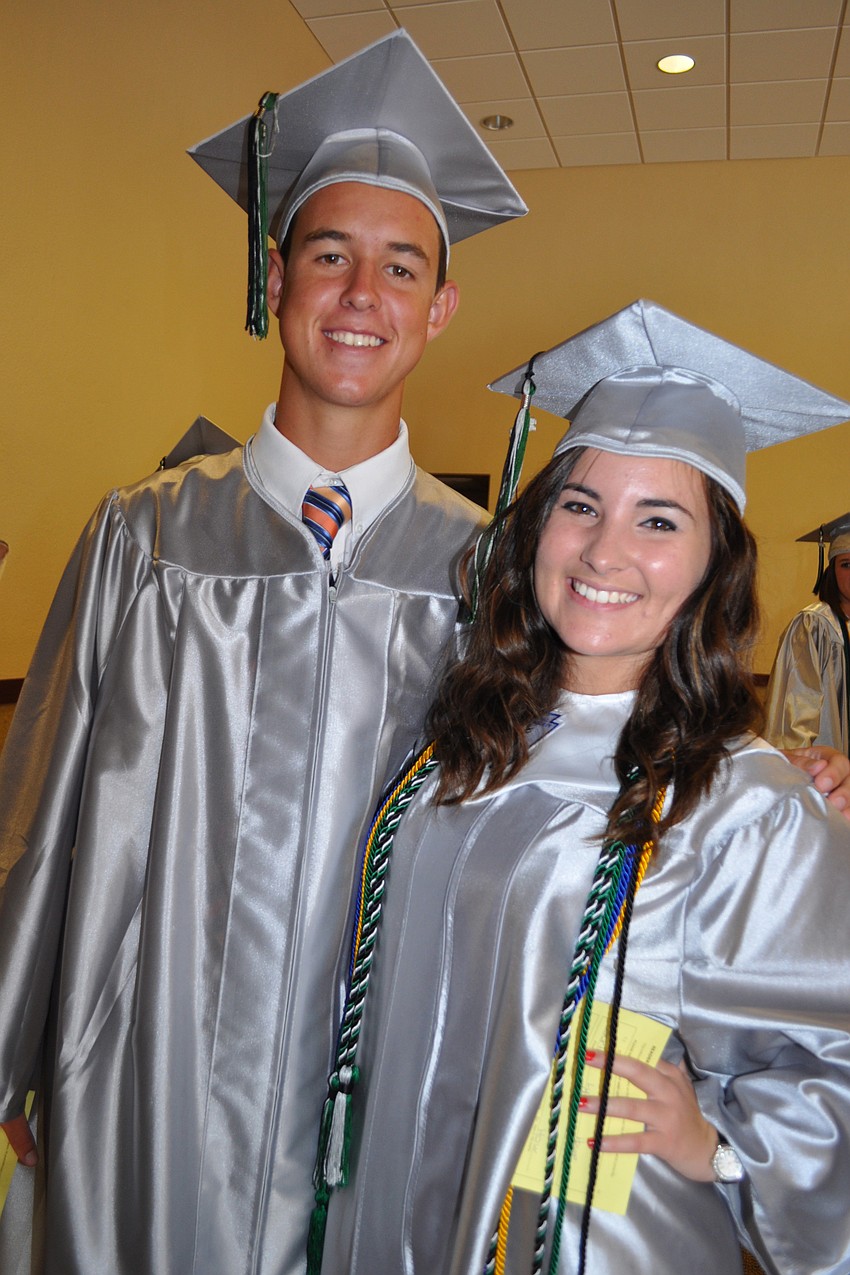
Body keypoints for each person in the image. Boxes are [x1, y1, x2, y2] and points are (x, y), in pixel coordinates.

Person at [0, 32, 527, 1275]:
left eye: (401, 267)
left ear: (439, 308)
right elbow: (42, 805)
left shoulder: (490, 571)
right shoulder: (146, 535)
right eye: (328, 254)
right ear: (274, 280)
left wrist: (770, 791)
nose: (362, 295)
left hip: (379, 1075)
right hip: (143, 1060)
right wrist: (17, 1043)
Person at [315, 301, 850, 1275]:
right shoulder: (461, 742)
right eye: (579, 506)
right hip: (397, 1207)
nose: (605, 552)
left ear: (713, 563)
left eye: (658, 520)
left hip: (591, 1237)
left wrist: (722, 1141)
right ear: (536, 528)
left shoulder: (741, 800)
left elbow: (825, 1060)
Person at [765, 513, 850, 754]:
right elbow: (794, 715)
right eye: (847, 564)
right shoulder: (813, 625)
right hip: (824, 770)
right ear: (831, 570)